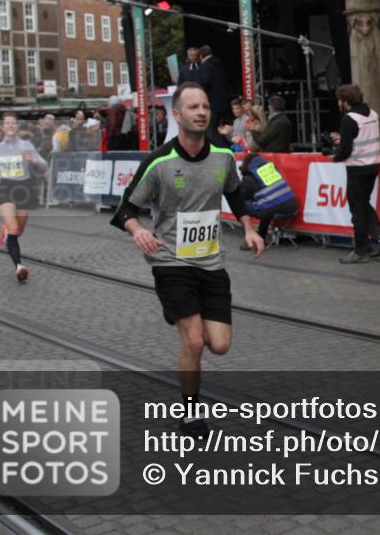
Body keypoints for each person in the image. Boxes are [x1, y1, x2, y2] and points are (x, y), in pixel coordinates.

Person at [110, 82, 264, 437]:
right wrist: (138, 231)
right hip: (170, 261)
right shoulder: (160, 162)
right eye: (193, 107)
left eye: (206, 107)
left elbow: (235, 195)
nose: (201, 112)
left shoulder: (223, 156)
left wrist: (250, 229)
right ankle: (190, 412)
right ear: (177, 115)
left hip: (212, 262)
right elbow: (125, 211)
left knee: (220, 345)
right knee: (194, 341)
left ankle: (186, 326)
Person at [0, 113, 48, 282]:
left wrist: (33, 159)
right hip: (5, 188)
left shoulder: (26, 146)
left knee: (17, 231)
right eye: (7, 123)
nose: (11, 126)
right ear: (3, 127)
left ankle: (7, 232)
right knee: (13, 229)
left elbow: (44, 165)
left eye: (14, 123)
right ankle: (19, 267)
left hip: (24, 188)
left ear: (17, 127)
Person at [329, 84, 380, 264]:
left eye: (340, 100)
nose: (339, 103)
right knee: (363, 204)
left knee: (357, 210)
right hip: (373, 166)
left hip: (357, 169)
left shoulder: (349, 119)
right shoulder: (372, 114)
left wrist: (335, 156)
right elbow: (361, 137)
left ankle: (360, 250)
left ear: (346, 102)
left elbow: (346, 150)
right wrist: (345, 139)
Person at [238, 151, 298, 247]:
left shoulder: (250, 176)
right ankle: (261, 236)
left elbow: (243, 195)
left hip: (272, 209)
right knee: (267, 206)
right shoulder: (271, 169)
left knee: (241, 204)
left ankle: (250, 237)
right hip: (292, 205)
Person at [195, 45, 232, 144]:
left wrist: (196, 82)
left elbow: (205, 81)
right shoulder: (217, 63)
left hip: (212, 102)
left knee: (211, 128)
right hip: (221, 102)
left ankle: (213, 148)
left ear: (201, 55)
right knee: (219, 128)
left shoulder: (207, 65)